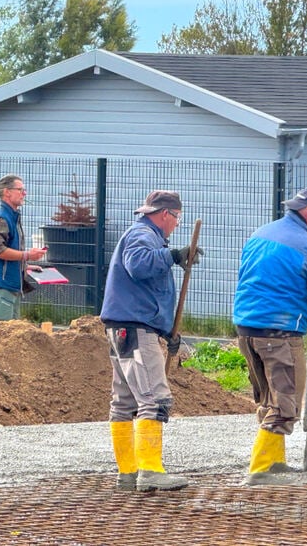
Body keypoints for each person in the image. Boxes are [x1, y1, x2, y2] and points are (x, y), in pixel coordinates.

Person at [232, 187, 307, 486]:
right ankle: (260, 470)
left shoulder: (260, 234)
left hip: (246, 331)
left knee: (270, 399)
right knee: (285, 405)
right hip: (279, 333)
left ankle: (275, 462)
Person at [100, 190, 201, 493]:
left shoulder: (146, 236)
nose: (177, 224)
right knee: (155, 399)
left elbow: (149, 293)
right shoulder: (143, 235)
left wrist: (167, 331)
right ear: (165, 214)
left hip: (125, 328)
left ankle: (128, 473)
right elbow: (138, 265)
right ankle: (150, 471)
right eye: (177, 218)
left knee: (124, 402)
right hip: (135, 329)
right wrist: (173, 256)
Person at [0, 174, 47, 323]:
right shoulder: (1, 218)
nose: (24, 193)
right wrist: (27, 255)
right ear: (7, 192)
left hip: (10, 284)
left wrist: (24, 265)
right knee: (0, 332)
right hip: (2, 285)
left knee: (11, 333)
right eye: (20, 190)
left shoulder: (10, 216)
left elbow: (6, 249)